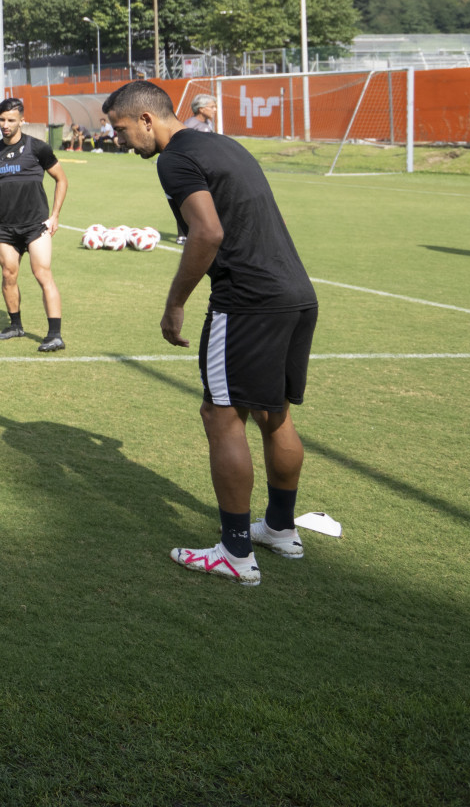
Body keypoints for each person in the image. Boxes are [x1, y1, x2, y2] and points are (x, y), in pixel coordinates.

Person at [103, 79, 316, 587]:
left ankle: (236, 552)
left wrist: (175, 302)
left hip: (247, 301)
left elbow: (209, 232)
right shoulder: (220, 142)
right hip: (295, 292)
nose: (118, 138)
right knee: (273, 410)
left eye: (120, 128)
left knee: (221, 414)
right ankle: (281, 529)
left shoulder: (173, 159)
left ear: (147, 120)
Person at [0, 97, 68, 353]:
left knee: (42, 275)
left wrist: (55, 215)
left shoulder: (38, 148)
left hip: (36, 225)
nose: (5, 125)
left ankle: (55, 335)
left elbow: (61, 180)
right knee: (8, 275)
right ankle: (15, 325)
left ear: (21, 121)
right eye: (2, 120)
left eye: (11, 120)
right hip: (7, 228)